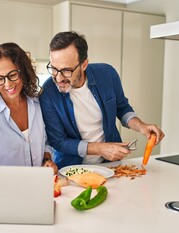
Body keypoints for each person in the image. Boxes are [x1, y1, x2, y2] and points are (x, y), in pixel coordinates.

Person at [39, 31, 165, 169]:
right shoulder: (48, 93)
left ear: (84, 64)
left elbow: (122, 108)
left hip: (111, 166)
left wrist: (142, 126)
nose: (58, 78)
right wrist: (100, 149)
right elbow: (59, 141)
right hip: (71, 168)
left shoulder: (107, 74)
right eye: (54, 69)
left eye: (66, 70)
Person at [0, 42, 58, 174]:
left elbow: (46, 141)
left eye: (12, 75)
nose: (8, 84)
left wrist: (46, 160)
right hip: (4, 190)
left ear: (23, 72)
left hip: (38, 186)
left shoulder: (37, 105)